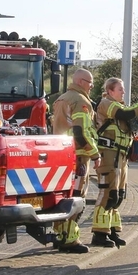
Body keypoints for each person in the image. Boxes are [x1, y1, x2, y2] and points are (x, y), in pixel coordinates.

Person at [93, 78, 138, 248]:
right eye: (120, 89)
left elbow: (132, 118)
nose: (123, 92)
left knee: (118, 196)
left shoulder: (121, 106)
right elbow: (124, 115)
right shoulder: (106, 103)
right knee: (108, 194)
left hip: (121, 156)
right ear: (110, 91)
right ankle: (99, 234)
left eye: (123, 89)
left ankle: (112, 232)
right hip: (109, 154)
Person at [49, 69, 100, 254]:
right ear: (80, 81)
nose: (91, 86)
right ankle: (70, 239)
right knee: (77, 196)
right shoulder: (81, 101)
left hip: (61, 154)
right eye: (90, 82)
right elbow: (81, 131)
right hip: (78, 155)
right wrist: (95, 154)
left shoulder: (62, 98)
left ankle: (60, 235)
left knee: (63, 196)